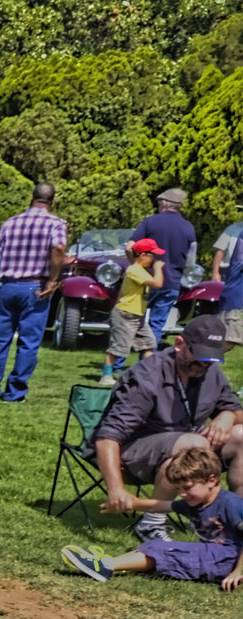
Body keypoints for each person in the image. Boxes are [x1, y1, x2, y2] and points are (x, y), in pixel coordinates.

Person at [92, 315, 242, 543]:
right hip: (133, 453)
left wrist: (228, 415)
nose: (203, 364)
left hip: (187, 446)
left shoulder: (210, 371)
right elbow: (107, 438)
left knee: (241, 436)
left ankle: (233, 521)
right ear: (179, 344)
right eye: (198, 355)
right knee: (193, 444)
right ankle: (151, 524)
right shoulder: (147, 377)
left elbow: (238, 413)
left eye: (210, 359)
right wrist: (116, 490)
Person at [61, 443, 243, 590]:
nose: (183, 494)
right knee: (154, 545)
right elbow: (162, 505)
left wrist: (238, 571)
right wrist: (131, 503)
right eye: (178, 489)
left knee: (167, 551)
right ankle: (115, 564)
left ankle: (105, 566)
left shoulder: (230, 504)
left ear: (212, 480)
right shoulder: (196, 501)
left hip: (229, 559)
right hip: (214, 556)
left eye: (187, 487)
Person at [0, 182, 68, 402]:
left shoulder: (10, 223)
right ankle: (15, 392)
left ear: (32, 197)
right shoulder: (56, 223)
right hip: (35, 286)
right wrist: (53, 280)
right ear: (53, 201)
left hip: (8, 285)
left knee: (0, 340)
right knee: (28, 342)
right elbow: (58, 249)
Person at [131, 187, 197, 347]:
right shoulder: (188, 228)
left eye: (160, 202)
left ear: (166, 203)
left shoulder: (150, 221)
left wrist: (133, 266)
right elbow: (191, 261)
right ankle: (148, 363)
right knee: (157, 324)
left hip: (146, 279)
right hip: (172, 282)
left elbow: (130, 247)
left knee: (132, 320)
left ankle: (116, 364)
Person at [99, 239, 164, 388]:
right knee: (118, 347)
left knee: (148, 344)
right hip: (125, 314)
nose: (154, 258)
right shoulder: (134, 270)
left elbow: (122, 290)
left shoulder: (140, 271)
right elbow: (158, 284)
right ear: (142, 255)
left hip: (137, 316)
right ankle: (106, 376)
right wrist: (158, 268)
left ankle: (149, 374)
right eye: (151, 255)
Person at [215, 221, 243, 346]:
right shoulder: (233, 229)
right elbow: (220, 251)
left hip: (236, 278)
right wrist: (215, 272)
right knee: (229, 337)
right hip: (231, 274)